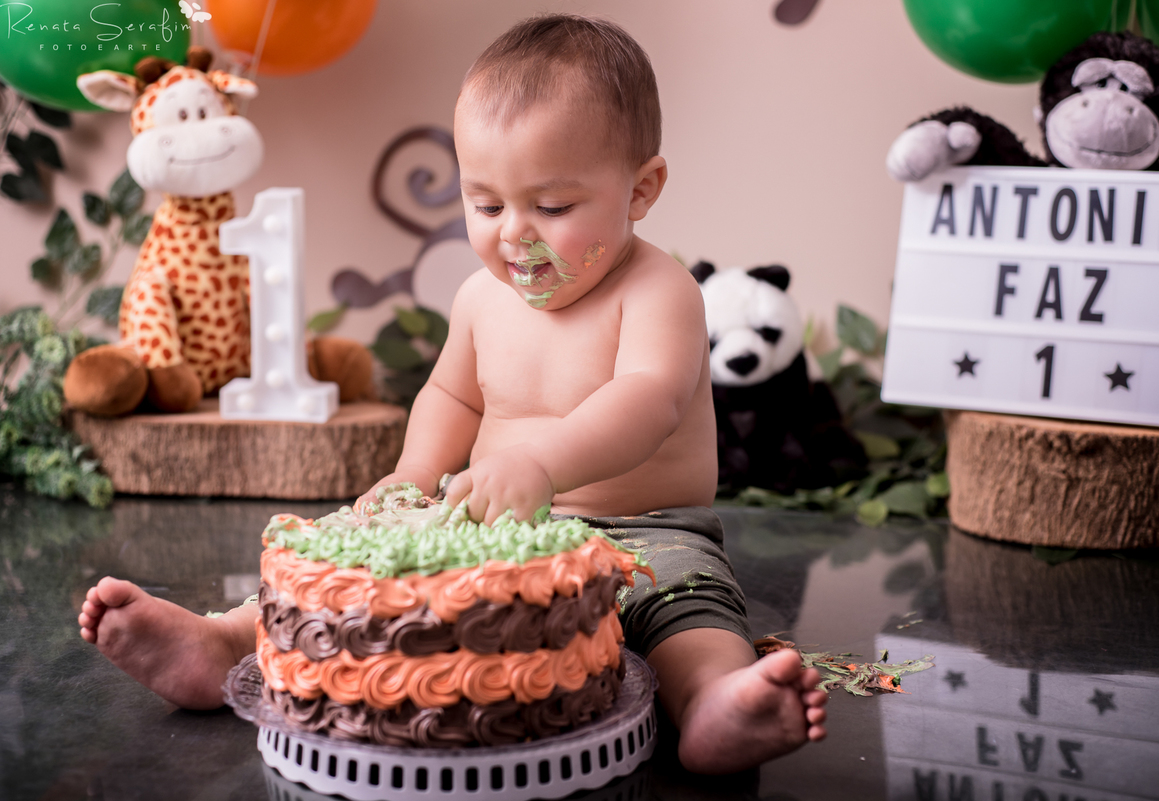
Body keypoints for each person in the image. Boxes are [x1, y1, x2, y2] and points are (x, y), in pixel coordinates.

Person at [78, 14, 827, 774]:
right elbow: (452, 396)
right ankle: (230, 641)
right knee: (347, 573)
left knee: (685, 610)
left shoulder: (658, 288)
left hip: (646, 530)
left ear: (641, 189)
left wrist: (541, 462)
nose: (514, 236)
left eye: (555, 208)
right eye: (487, 205)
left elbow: (648, 399)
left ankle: (713, 700)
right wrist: (411, 476)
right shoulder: (480, 296)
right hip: (488, 523)